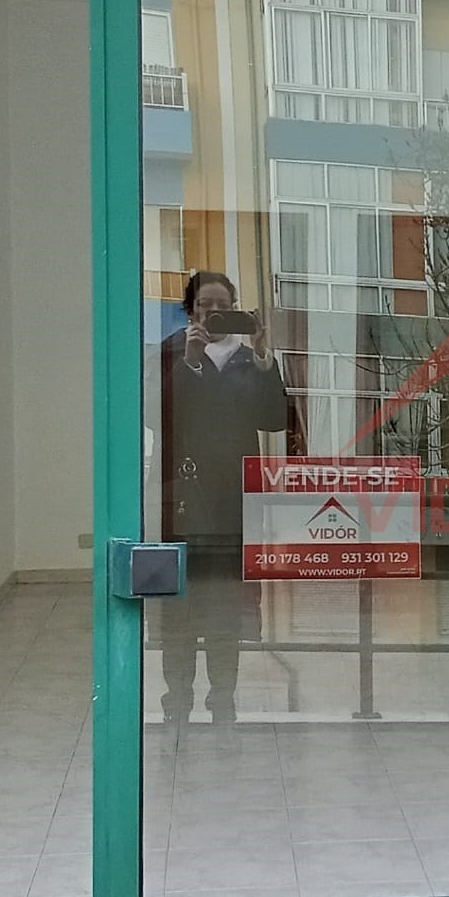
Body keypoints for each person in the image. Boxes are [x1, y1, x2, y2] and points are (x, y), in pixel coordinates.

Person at [152, 269, 291, 724]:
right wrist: (190, 363)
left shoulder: (250, 359)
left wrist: (266, 360)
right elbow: (155, 415)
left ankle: (223, 696)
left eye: (222, 306)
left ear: (234, 309)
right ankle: (177, 697)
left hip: (233, 499)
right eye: (204, 305)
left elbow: (275, 419)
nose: (213, 313)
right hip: (178, 498)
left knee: (225, 605)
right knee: (177, 605)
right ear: (189, 309)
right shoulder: (169, 351)